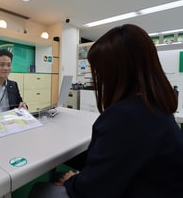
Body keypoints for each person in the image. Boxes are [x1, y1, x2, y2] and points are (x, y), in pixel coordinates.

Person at [30, 24, 183, 198]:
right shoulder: (156, 105)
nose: (99, 79)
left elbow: (92, 190)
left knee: (41, 191)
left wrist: (73, 179)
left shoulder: (125, 116)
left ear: (115, 72)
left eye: (99, 72)